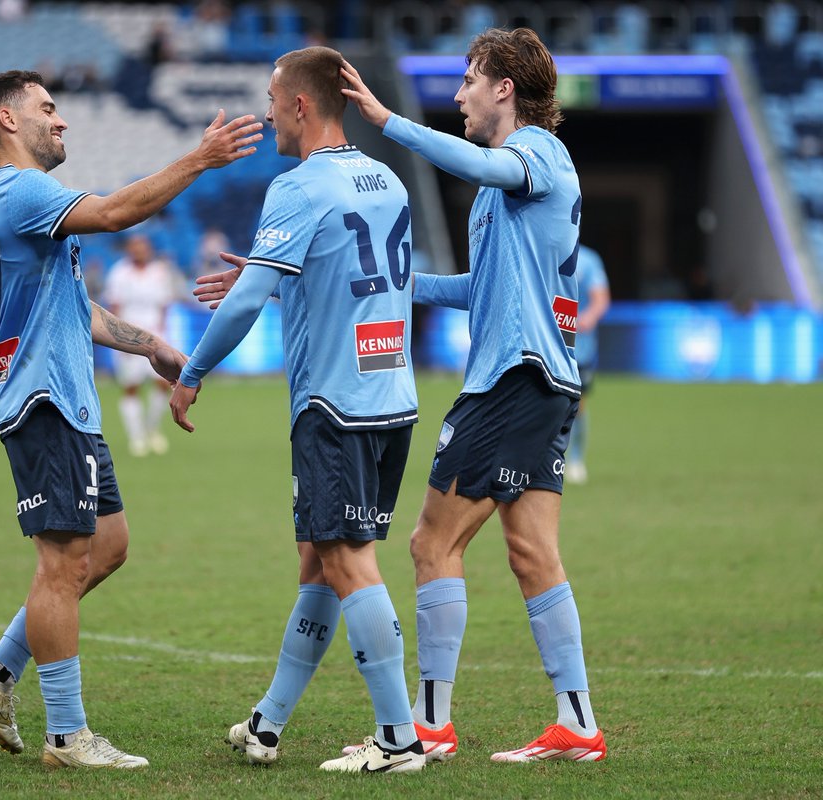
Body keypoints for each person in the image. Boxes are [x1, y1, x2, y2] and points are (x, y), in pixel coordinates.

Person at [0, 69, 261, 769]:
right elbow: (120, 212)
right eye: (47, 109)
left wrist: (150, 345)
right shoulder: (23, 190)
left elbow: (73, 306)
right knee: (62, 564)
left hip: (68, 402)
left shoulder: (20, 202)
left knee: (108, 547)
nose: (61, 122)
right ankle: (67, 734)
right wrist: (198, 159)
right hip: (44, 402)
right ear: (8, 120)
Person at [339, 28, 607, 762]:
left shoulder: (535, 156)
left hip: (511, 379)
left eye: (468, 80)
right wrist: (398, 286)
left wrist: (390, 124)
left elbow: (479, 162)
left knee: (433, 542)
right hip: (542, 378)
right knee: (532, 554)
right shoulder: (505, 189)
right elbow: (481, 288)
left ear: (504, 90)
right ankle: (577, 724)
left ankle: (430, 723)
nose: (458, 94)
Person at [169, 46, 427, 774]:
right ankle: (268, 723)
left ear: (302, 106)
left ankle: (398, 739)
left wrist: (191, 371)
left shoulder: (297, 185)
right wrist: (271, 275)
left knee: (346, 562)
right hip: (392, 400)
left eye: (273, 99)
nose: (269, 112)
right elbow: (351, 277)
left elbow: (248, 301)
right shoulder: (387, 181)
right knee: (319, 561)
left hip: (333, 404)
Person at [103, 233, 181, 456]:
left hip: (156, 337)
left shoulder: (159, 272)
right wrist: (118, 340)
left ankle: (152, 429)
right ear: (128, 249)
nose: (139, 250)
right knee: (131, 388)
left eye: (143, 246)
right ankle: (136, 437)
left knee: (164, 384)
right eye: (135, 246)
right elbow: (115, 307)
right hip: (129, 339)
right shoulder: (119, 273)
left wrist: (165, 335)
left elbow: (164, 306)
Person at [565, 245, 610, 484]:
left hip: (579, 349)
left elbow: (600, 299)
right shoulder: (544, 250)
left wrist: (589, 317)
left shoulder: (588, 260)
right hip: (546, 344)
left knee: (577, 405)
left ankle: (576, 459)